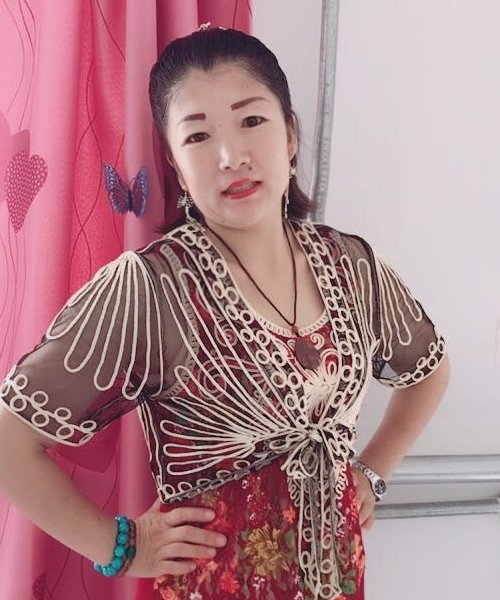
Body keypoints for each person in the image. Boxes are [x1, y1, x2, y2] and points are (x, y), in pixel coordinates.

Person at [0, 25, 450, 600]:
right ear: (174, 161)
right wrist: (118, 546)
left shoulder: (351, 265)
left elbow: (430, 371)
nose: (231, 156)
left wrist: (371, 471)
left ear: (290, 133)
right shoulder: (151, 288)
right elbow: (10, 443)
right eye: (197, 135)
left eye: (251, 120)